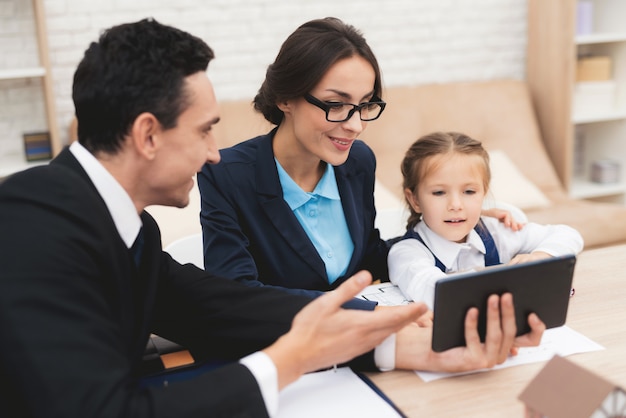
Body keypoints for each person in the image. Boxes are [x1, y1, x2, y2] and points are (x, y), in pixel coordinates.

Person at [0, 19, 545, 417]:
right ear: (147, 135)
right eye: (204, 130)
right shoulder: (26, 227)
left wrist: (389, 340)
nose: (215, 152)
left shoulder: (127, 228)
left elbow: (217, 307)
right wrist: (285, 361)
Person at [198, 17, 519, 304]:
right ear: (285, 98)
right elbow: (236, 296)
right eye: (336, 104)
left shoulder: (357, 161)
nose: (356, 126)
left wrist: (449, 226)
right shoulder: (226, 175)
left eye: (365, 105)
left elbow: (368, 257)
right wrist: (355, 311)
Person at [388, 131, 584, 309]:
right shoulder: (406, 254)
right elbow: (437, 292)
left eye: (469, 191)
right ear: (414, 200)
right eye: (439, 192)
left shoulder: (495, 231)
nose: (456, 204)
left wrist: (540, 257)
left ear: (483, 193)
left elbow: (568, 235)